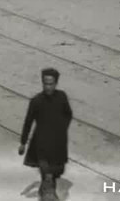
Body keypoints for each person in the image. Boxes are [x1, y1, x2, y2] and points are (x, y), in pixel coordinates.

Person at [19, 68, 73, 201]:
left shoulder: (62, 97)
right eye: (45, 83)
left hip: (58, 142)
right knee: (46, 172)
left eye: (51, 83)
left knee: (55, 172)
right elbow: (28, 122)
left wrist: (62, 128)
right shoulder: (36, 101)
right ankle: (48, 195)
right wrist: (23, 142)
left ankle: (45, 191)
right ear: (42, 83)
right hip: (41, 142)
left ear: (56, 83)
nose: (48, 87)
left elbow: (68, 114)